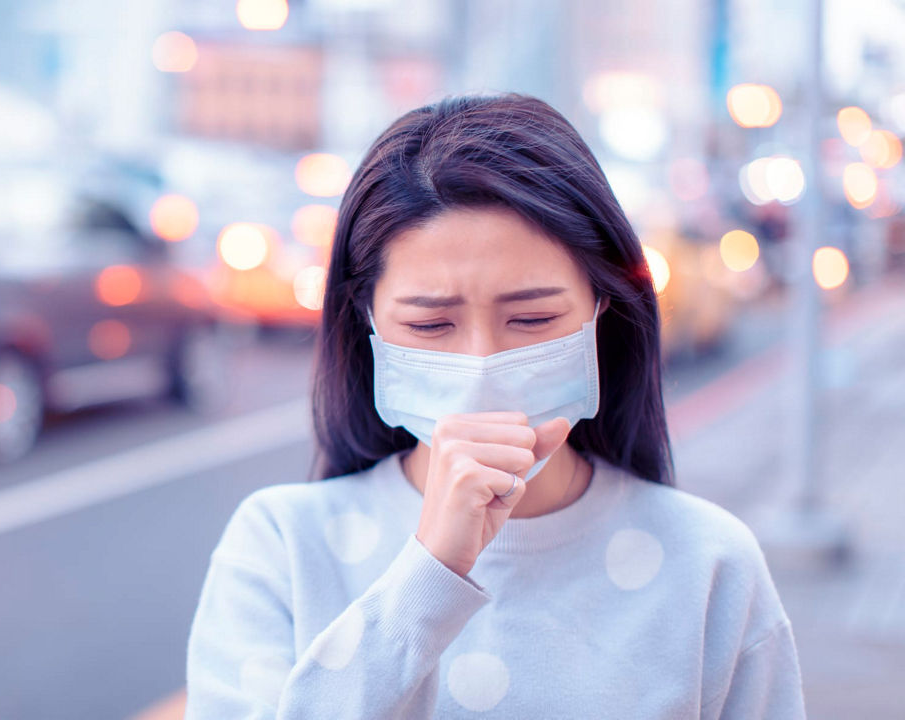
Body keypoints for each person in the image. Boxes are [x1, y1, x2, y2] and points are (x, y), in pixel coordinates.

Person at [184, 93, 805, 718]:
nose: (483, 363)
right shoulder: (281, 548)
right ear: (366, 321)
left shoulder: (709, 565)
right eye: (431, 325)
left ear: (601, 310)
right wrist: (431, 572)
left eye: (532, 319)